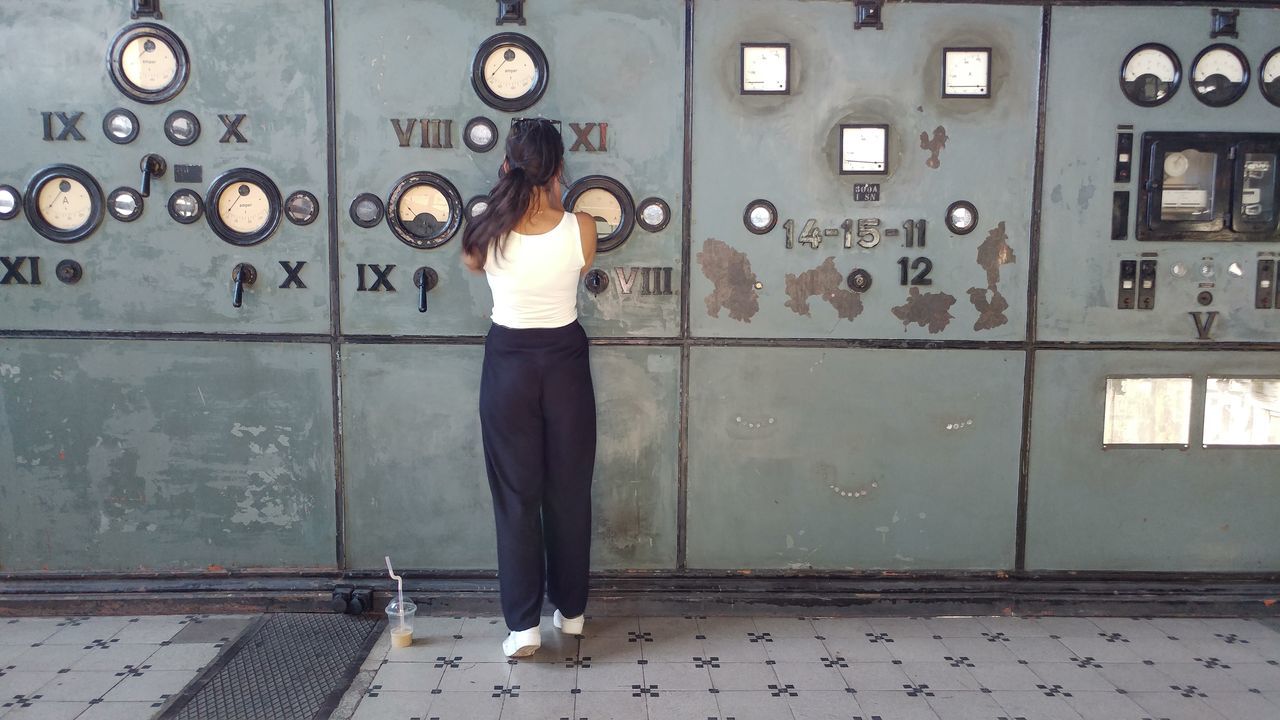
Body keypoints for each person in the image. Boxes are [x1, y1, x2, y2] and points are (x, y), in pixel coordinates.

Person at [461, 117, 599, 657]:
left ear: (506, 166)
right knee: (569, 493)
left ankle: (522, 628)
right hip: (564, 362)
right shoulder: (581, 227)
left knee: (517, 498)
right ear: (560, 167)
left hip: (509, 365)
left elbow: (473, 265)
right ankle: (573, 614)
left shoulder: (484, 228)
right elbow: (583, 264)